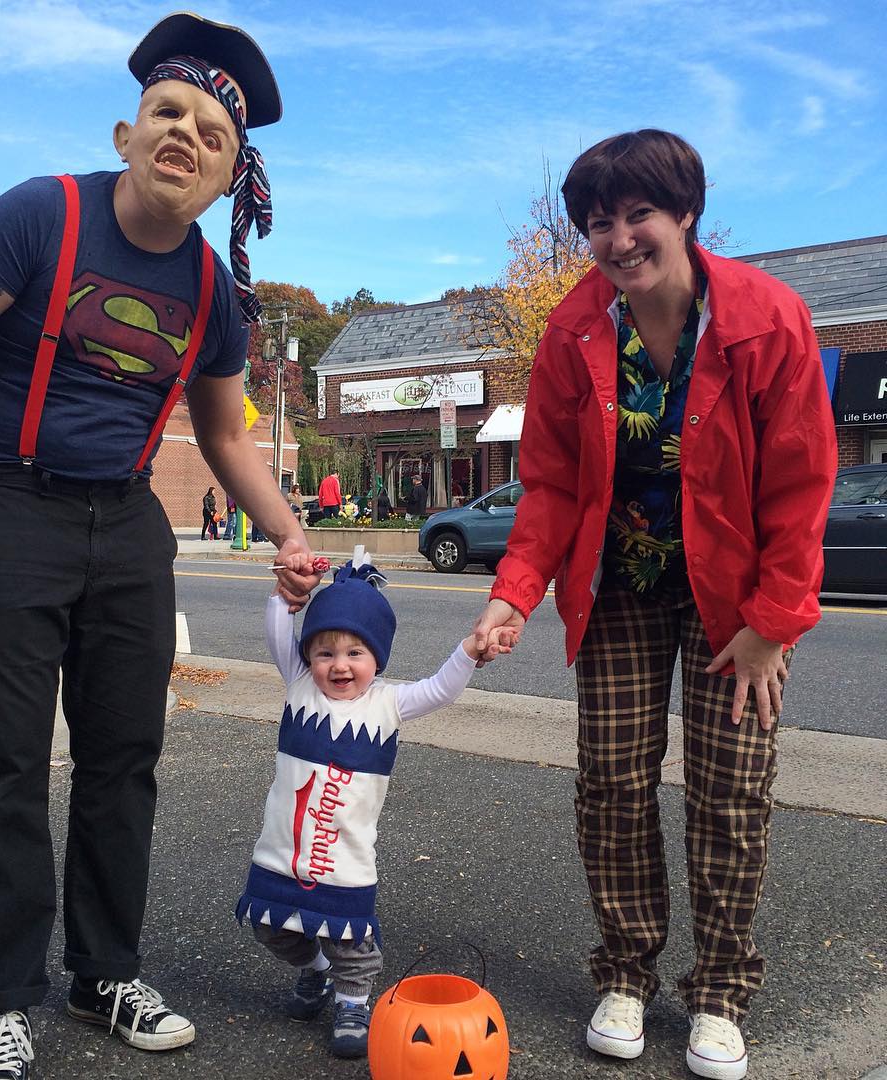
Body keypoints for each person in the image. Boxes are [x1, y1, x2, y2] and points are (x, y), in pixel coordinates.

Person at [0, 12, 322, 1079]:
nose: (185, 136)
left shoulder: (215, 291)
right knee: (3, 765)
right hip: (2, 505)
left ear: (228, 178)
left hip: (126, 524)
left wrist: (290, 532)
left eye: (211, 133)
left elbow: (224, 435)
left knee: (125, 762)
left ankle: (104, 971)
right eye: (168, 114)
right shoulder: (42, 215)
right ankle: (2, 998)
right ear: (128, 132)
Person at [472, 130, 836, 1080]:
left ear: (684, 215)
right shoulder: (573, 330)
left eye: (639, 214)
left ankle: (719, 994)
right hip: (620, 589)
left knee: (731, 793)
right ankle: (626, 973)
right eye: (599, 223)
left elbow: (803, 484)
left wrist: (774, 624)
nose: (620, 238)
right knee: (613, 786)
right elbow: (548, 483)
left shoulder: (767, 320)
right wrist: (515, 593)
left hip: (740, 605)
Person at [236, 548, 506, 1059]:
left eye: (355, 653)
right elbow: (277, 628)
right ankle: (314, 975)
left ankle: (353, 1001)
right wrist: (285, 591)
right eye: (324, 652)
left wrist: (469, 650)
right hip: (282, 850)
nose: (339, 665)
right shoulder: (298, 687)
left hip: (344, 860)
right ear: (307, 657)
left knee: (350, 942)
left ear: (377, 658)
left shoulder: (388, 704)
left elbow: (441, 690)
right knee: (270, 925)